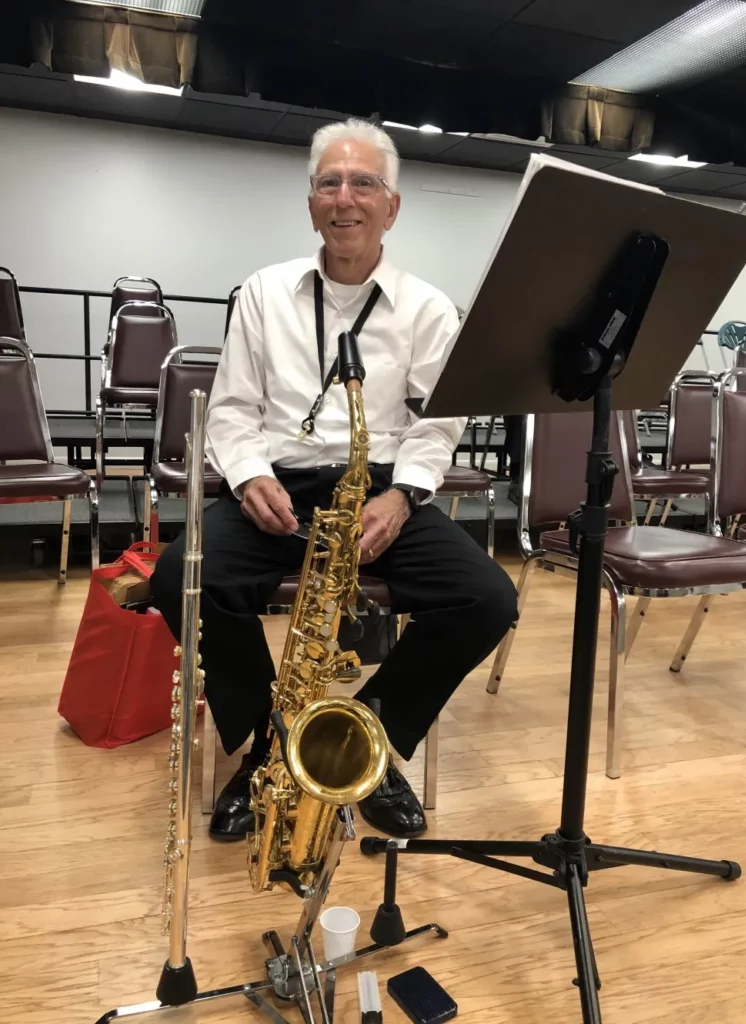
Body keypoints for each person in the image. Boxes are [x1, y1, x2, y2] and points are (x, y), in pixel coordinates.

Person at [151, 118, 518, 842]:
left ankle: (363, 745)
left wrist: (404, 495)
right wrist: (250, 476)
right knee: (178, 580)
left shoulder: (427, 308)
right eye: (330, 182)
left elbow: (439, 423)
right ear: (310, 200)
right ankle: (269, 746)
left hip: (377, 494)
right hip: (277, 493)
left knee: (487, 598)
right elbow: (229, 409)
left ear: (393, 205)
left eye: (364, 183)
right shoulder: (262, 293)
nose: (345, 197)